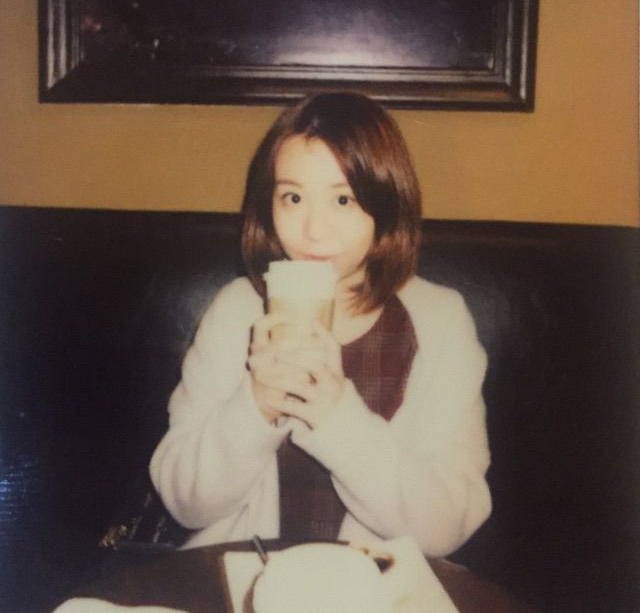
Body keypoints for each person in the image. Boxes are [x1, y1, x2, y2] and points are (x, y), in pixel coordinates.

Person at [149, 92, 491, 557]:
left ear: (386, 203)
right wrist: (254, 406)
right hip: (247, 579)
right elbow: (184, 504)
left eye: (343, 199)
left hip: (377, 587)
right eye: (293, 197)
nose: (313, 230)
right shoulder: (237, 311)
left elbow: (445, 526)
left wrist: (336, 416)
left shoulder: (439, 322)